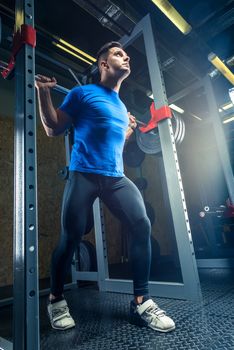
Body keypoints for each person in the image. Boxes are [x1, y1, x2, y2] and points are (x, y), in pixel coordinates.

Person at [35, 41, 175, 333]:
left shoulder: (122, 107)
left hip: (114, 177)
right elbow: (52, 128)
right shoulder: (82, 94)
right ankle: (56, 298)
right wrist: (44, 92)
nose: (126, 57)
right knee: (71, 236)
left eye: (126, 55)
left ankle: (141, 301)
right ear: (103, 64)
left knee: (141, 224)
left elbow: (113, 143)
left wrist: (128, 130)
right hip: (83, 174)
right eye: (118, 54)